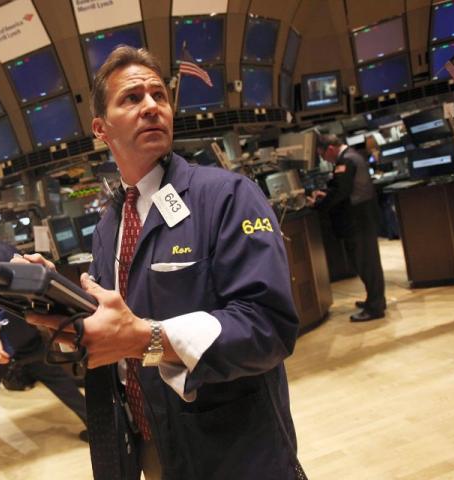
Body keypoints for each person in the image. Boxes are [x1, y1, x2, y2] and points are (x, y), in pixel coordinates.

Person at [19, 46, 304, 479]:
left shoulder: (227, 196)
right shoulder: (109, 225)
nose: (151, 106)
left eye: (159, 96)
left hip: (232, 450)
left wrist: (145, 339)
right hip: (149, 445)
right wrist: (60, 313)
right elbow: (109, 333)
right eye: (132, 98)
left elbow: (268, 327)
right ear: (101, 128)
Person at [0, 210, 90, 461]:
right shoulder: (6, 248)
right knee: (58, 379)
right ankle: (92, 423)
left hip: (0, 342)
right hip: (26, 330)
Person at [308, 133, 386, 322]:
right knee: (368, 262)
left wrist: (318, 204)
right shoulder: (351, 156)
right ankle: (375, 300)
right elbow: (341, 187)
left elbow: (341, 192)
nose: (323, 159)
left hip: (358, 218)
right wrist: (326, 193)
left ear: (331, 149)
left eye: (322, 155)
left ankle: (375, 307)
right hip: (362, 217)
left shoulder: (347, 161)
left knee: (366, 263)